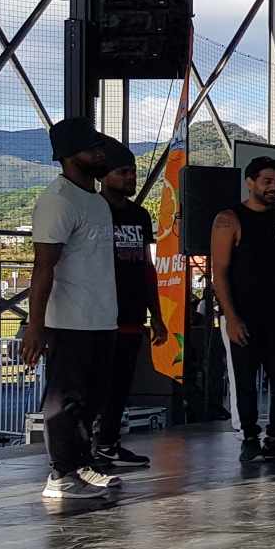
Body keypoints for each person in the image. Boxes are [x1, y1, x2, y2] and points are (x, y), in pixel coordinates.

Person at [24, 118, 123, 502]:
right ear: (68, 156)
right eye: (93, 149)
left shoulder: (95, 200)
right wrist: (36, 326)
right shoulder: (58, 200)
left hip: (101, 318)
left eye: (101, 148)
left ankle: (81, 465)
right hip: (69, 321)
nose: (101, 155)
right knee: (65, 400)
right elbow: (43, 266)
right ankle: (61, 475)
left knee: (94, 397)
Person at [209, 156, 275, 464]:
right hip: (242, 313)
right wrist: (232, 317)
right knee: (245, 378)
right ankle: (250, 439)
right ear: (250, 182)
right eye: (267, 181)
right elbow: (219, 272)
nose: (273, 187)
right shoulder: (229, 219)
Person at [92, 140, 167, 469]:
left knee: (122, 383)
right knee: (95, 383)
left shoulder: (138, 215)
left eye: (133, 172)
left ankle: (109, 443)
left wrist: (158, 315)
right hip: (97, 315)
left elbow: (146, 268)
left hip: (132, 313)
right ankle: (85, 447)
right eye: (123, 172)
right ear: (104, 176)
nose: (130, 178)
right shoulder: (93, 210)